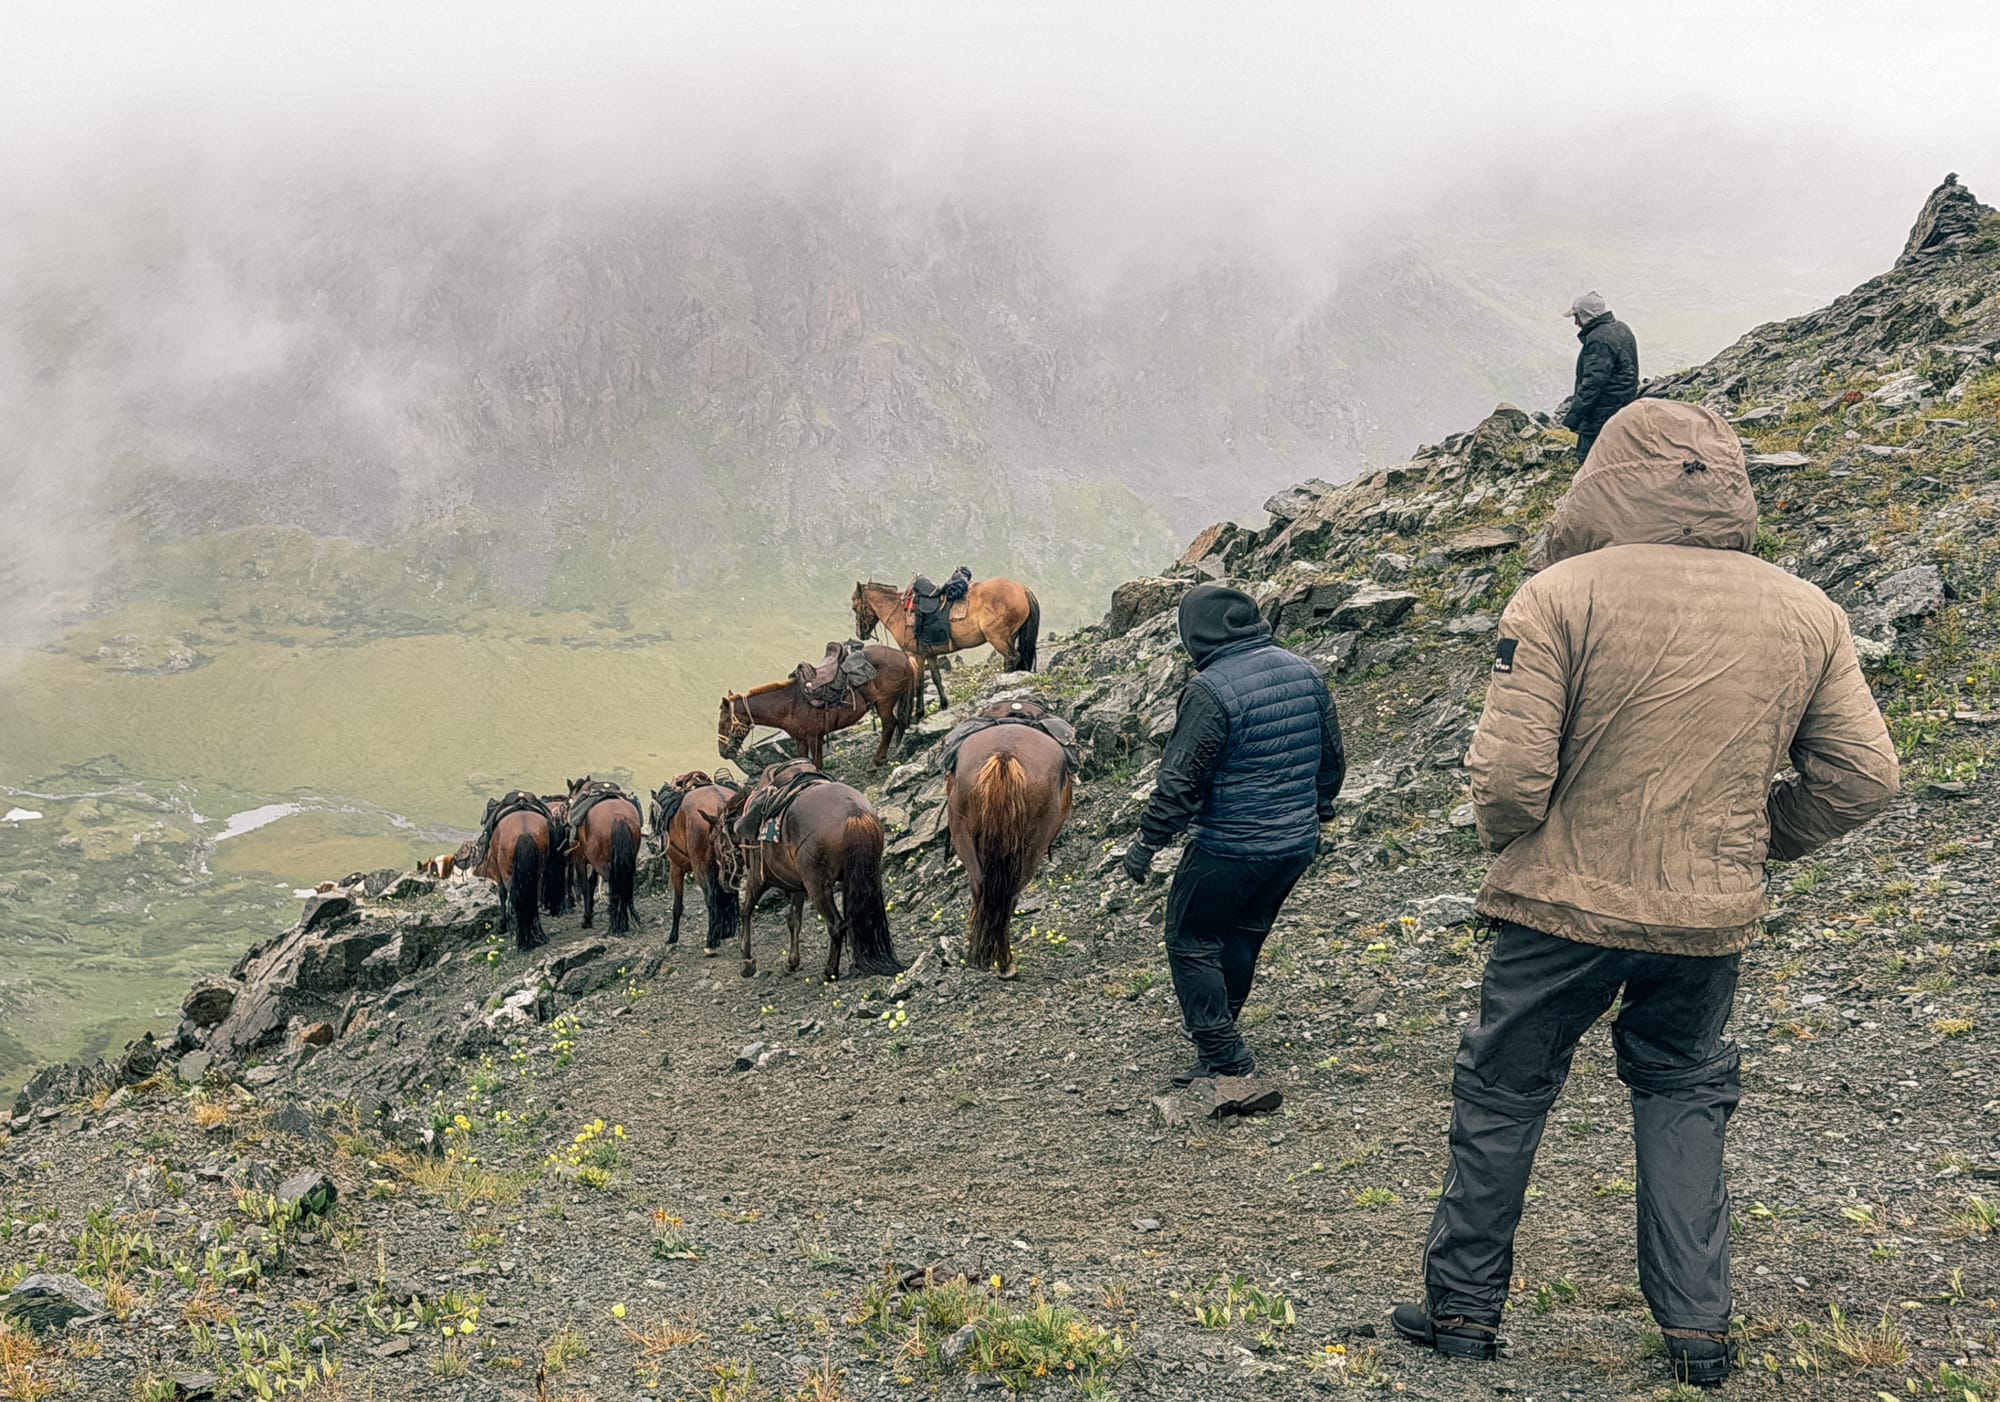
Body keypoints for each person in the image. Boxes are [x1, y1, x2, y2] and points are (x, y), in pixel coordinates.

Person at [1392, 398, 1899, 1389]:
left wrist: (1518, 847)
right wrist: (1749, 841)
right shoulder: (1805, 609)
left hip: (1555, 909)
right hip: (1706, 919)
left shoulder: (1558, 595)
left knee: (1501, 1092)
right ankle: (1698, 1336)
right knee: (1681, 1094)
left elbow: (1504, 782)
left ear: (1606, 479)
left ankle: (1460, 1311)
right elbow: (1863, 776)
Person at [1121, 584, 1345, 1114]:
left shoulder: (1210, 690)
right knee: (1243, 933)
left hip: (1231, 845)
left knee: (1191, 938)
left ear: (1196, 633)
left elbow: (1180, 782)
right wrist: (1320, 810)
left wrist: (1147, 843)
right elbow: (1332, 758)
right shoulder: (1304, 671)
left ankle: (1227, 1060)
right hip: (1293, 844)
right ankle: (1218, 1041)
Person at [1561, 291, 1639, 462]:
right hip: (1622, 404)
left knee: (1589, 458)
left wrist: (1574, 417)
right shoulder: (1621, 328)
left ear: (1586, 315)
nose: (1575, 322)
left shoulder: (1599, 339)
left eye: (1577, 316)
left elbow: (1593, 383)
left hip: (1601, 410)